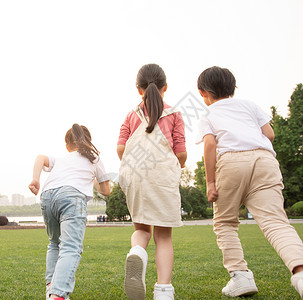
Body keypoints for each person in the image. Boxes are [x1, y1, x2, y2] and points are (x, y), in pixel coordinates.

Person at [196, 66, 303, 298]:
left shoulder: (208, 114)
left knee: (225, 222)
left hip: (231, 161)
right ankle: (301, 273)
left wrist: (210, 183)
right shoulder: (250, 105)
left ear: (203, 92)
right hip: (264, 159)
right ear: (232, 88)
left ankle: (241, 277)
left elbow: (211, 145)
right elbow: (270, 135)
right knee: (276, 222)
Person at [117, 63, 187, 300]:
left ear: (139, 90)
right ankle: (164, 290)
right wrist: (180, 164)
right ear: (165, 87)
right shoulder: (174, 114)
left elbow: (120, 148)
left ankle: (137, 251)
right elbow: (180, 152)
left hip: (136, 176)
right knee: (163, 236)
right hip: (162, 178)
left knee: (141, 229)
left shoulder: (131, 115)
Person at [29, 124, 110, 300]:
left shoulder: (62, 159)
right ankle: (58, 294)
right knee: (71, 247)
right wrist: (94, 179)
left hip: (48, 195)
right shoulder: (94, 158)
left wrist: (36, 179)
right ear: (88, 141)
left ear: (67, 145)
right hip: (71, 197)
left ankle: (51, 285)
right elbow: (106, 190)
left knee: (54, 243)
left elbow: (40, 157)